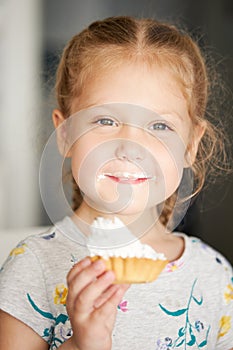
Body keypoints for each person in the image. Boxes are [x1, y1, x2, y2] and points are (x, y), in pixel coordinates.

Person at [0, 16, 232, 350]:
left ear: (191, 146)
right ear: (64, 134)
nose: (130, 147)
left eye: (159, 126)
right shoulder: (32, 268)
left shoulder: (215, 276)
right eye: (106, 120)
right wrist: (82, 344)